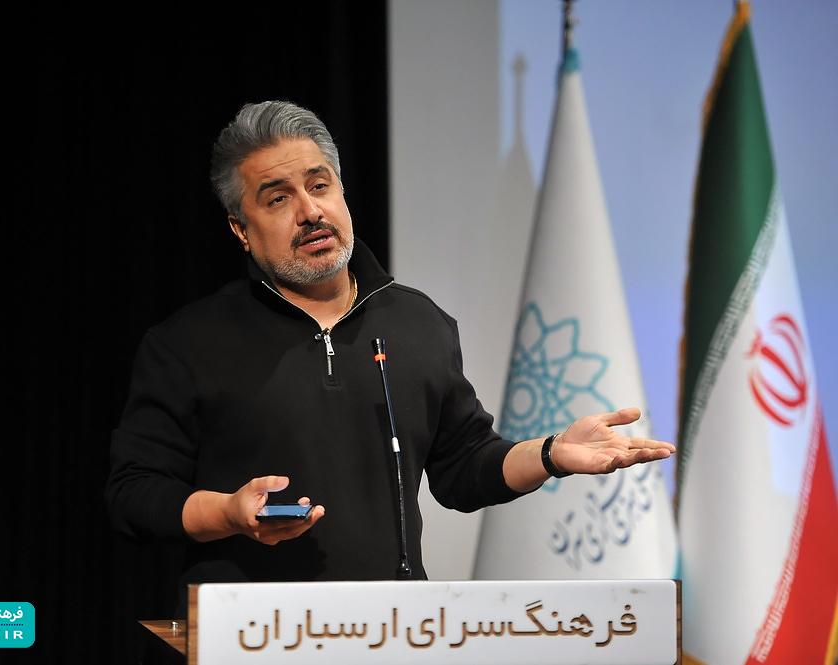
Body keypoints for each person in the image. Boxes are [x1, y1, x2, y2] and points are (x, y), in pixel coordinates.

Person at [105, 100, 674, 599]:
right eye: (278, 199)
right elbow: (134, 494)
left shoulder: (418, 323)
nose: (310, 212)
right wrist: (229, 512)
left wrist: (551, 453)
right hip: (248, 636)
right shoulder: (187, 343)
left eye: (320, 186)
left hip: (391, 633)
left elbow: (463, 467)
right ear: (241, 231)